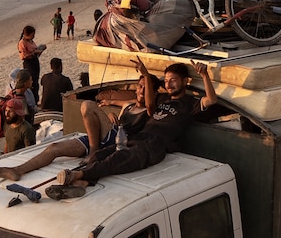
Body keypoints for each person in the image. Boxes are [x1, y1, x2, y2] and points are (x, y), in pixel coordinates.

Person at [48, 61, 222, 197]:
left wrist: (204, 75)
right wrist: (114, 99)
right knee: (101, 154)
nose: (169, 84)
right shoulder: (162, 99)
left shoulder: (189, 103)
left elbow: (211, 100)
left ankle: (77, 175)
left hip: (157, 145)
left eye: (173, 80)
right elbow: (142, 103)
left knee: (120, 158)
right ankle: (83, 183)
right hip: (140, 136)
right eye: (166, 81)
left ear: (185, 81)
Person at [0, 70, 37, 153]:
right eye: (30, 80)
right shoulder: (21, 100)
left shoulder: (13, 92)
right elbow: (23, 121)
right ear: (25, 83)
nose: (32, 82)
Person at [18, 24, 44, 92]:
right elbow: (23, 56)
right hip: (29, 63)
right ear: (27, 34)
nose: (33, 36)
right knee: (32, 82)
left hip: (35, 61)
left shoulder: (31, 41)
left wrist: (39, 51)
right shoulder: (22, 42)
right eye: (32, 35)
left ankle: (36, 96)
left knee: (36, 81)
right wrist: (34, 53)